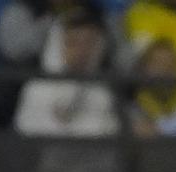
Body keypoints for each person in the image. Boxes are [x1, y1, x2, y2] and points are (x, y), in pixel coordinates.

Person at [14, 9, 124, 139]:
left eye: (89, 43)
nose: (82, 51)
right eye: (73, 42)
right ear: (57, 44)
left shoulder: (104, 94)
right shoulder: (36, 90)